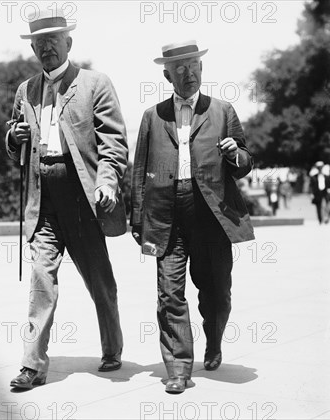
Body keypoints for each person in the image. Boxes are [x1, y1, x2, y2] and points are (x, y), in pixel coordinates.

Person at [5, 8, 128, 390]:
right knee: (41, 279)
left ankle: (112, 346)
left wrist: (107, 183)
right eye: (39, 44)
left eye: (52, 42)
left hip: (83, 200)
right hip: (43, 202)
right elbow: (13, 139)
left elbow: (114, 143)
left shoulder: (95, 83)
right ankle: (32, 364)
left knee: (100, 283)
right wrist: (15, 138)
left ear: (68, 43)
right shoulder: (26, 90)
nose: (45, 49)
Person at [130, 40, 255, 394]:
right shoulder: (152, 117)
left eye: (194, 65)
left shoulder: (222, 110)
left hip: (210, 214)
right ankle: (179, 367)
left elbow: (246, 163)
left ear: (203, 68)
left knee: (216, 293)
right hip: (165, 214)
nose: (189, 73)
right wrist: (138, 219)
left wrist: (235, 154)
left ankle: (213, 341)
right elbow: (140, 171)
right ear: (167, 74)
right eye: (180, 68)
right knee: (169, 293)